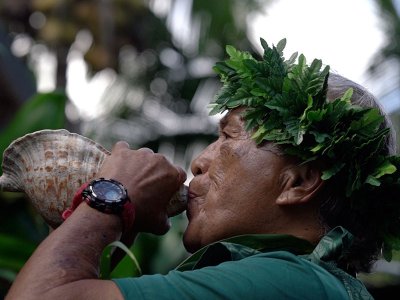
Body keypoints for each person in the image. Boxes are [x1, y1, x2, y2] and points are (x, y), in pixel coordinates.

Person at [5, 38, 400, 300]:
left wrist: (109, 196)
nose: (199, 161)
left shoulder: (291, 282)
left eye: (228, 138)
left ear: (298, 182)